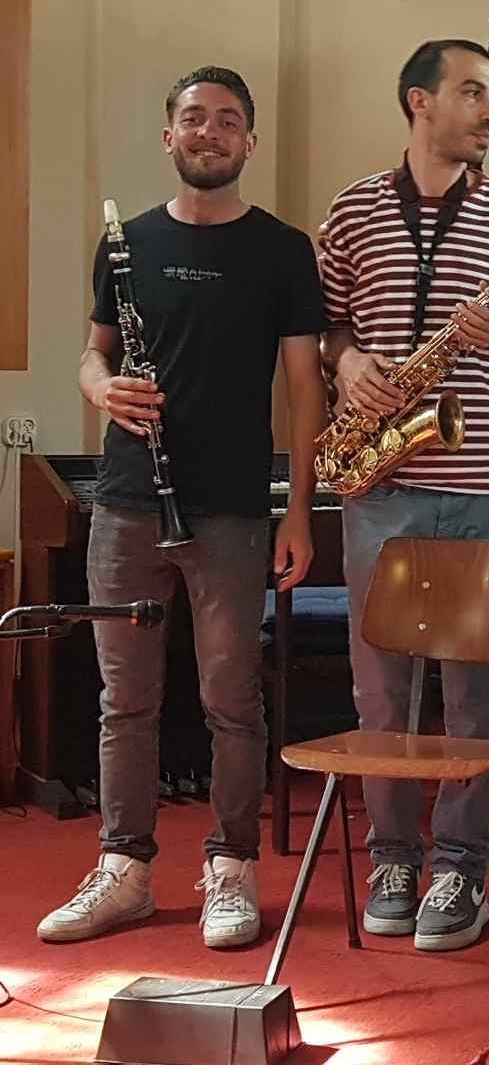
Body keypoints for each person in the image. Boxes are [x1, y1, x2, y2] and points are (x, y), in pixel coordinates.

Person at [39, 66, 327, 950]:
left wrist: (300, 512)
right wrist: (105, 391)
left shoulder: (282, 250)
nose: (210, 133)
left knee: (230, 700)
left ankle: (230, 869)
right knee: (124, 700)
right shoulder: (125, 245)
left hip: (235, 508)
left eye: (228, 121)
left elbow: (306, 391)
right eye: (194, 119)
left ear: (249, 141)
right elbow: (90, 358)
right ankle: (123, 870)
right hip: (127, 504)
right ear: (170, 135)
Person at [317, 39, 489, 953]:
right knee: (380, 693)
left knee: (476, 698)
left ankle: (459, 866)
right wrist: (350, 365)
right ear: (419, 100)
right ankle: (392, 855)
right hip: (382, 475)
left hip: (487, 476)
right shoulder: (351, 210)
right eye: (474, 93)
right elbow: (326, 321)